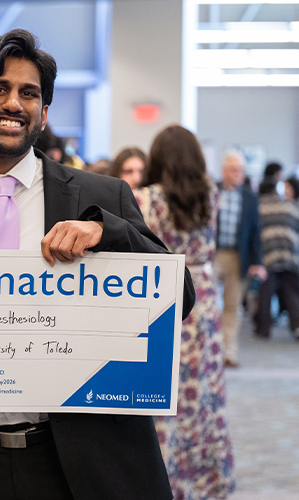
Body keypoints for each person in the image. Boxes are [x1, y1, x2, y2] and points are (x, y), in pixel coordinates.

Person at [0, 29, 195, 500]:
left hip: (75, 460)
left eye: (28, 93)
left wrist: (108, 233)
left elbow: (181, 298)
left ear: (43, 113)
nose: (14, 102)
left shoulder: (99, 196)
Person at [134, 124, 234, 500]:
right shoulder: (212, 196)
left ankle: (165, 481)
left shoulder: (145, 199)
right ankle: (204, 482)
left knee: (163, 396)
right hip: (204, 300)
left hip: (164, 298)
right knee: (203, 396)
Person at [214, 151, 265, 367]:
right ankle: (212, 349)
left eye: (241, 170)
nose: (239, 174)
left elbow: (256, 232)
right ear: (224, 171)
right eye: (234, 170)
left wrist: (258, 262)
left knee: (233, 307)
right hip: (214, 254)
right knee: (207, 303)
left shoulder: (250, 197)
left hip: (238, 256)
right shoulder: (212, 192)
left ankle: (229, 352)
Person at [254, 178, 299, 339]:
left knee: (266, 291)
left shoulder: (259, 206)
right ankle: (296, 325)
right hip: (289, 254)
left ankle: (263, 328)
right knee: (291, 291)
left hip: (268, 254)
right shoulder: (290, 206)